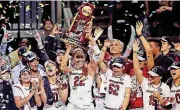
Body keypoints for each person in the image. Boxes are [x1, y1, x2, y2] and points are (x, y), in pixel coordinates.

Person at [133, 40, 171, 110]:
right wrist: (134, 52)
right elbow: (136, 69)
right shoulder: (145, 83)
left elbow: (168, 108)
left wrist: (159, 97)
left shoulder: (165, 87)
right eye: (150, 75)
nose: (151, 77)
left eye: (153, 75)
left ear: (160, 77)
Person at [60, 43, 98, 110]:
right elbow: (62, 67)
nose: (80, 59)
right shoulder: (71, 70)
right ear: (73, 59)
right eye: (77, 57)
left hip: (88, 105)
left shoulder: (89, 70)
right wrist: (68, 50)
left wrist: (91, 53)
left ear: (84, 58)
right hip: (73, 104)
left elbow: (94, 63)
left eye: (81, 57)